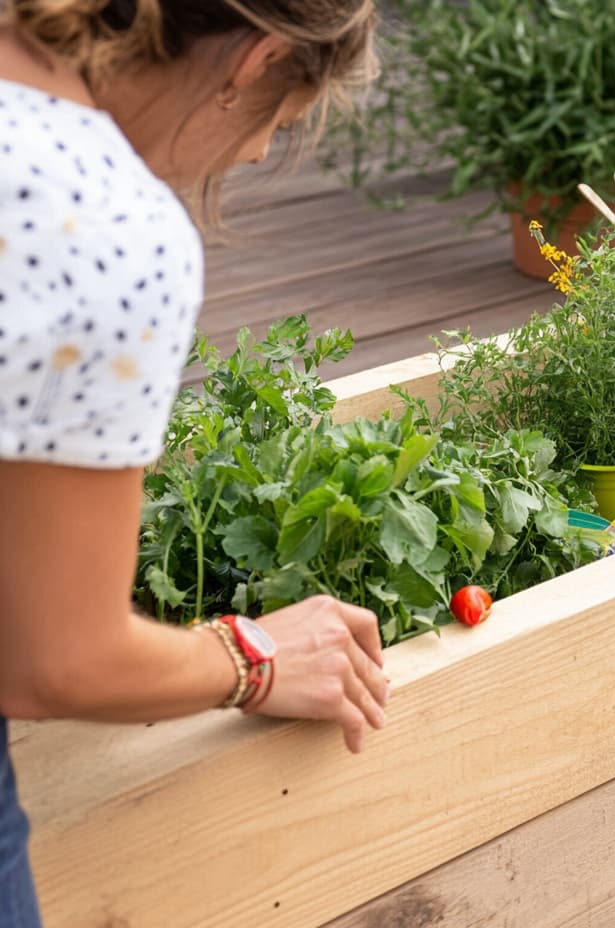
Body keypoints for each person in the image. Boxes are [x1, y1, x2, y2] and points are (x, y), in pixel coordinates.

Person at [0, 2, 385, 924]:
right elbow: (56, 663)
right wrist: (252, 656)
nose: (254, 153)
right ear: (259, 58)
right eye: (278, 122)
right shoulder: (104, 225)